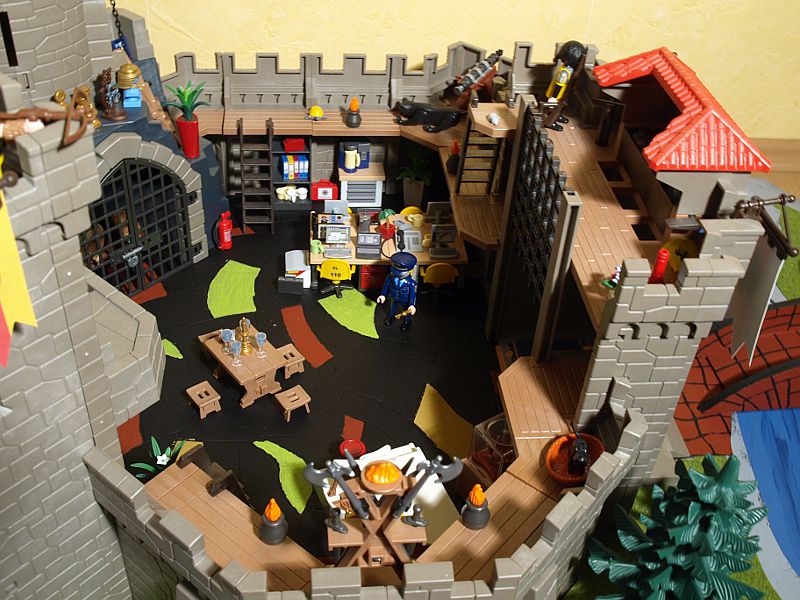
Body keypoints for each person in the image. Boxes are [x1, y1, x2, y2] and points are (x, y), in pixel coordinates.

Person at [377, 252, 417, 331]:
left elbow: (413, 294)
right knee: (392, 308)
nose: (397, 273)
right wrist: (383, 295)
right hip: (393, 297)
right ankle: (391, 317)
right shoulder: (390, 277)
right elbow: (386, 286)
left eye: (400, 272)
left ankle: (407, 321)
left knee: (406, 311)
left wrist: (412, 304)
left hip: (405, 300)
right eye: (395, 270)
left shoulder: (411, 283)